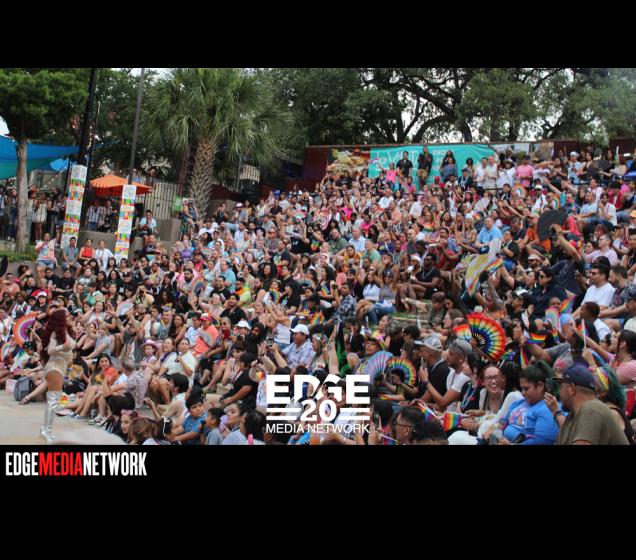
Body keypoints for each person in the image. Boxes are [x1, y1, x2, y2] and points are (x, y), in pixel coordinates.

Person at [549, 365, 629, 445]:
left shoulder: (592, 409)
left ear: (572, 388)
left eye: (561, 386)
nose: (559, 392)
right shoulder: (572, 416)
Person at [39, 308, 76, 443]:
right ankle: (46, 431)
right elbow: (50, 350)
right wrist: (63, 347)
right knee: (53, 401)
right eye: (67, 315)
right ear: (61, 319)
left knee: (54, 400)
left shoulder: (66, 332)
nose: (70, 316)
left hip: (61, 367)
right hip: (54, 367)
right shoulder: (56, 333)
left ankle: (46, 429)